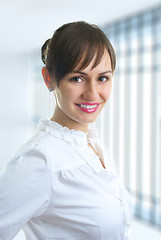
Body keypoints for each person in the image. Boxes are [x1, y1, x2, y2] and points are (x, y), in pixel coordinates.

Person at [0, 21, 133, 240]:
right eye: (77, 78)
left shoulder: (91, 144)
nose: (92, 93)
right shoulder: (40, 160)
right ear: (49, 79)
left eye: (102, 78)